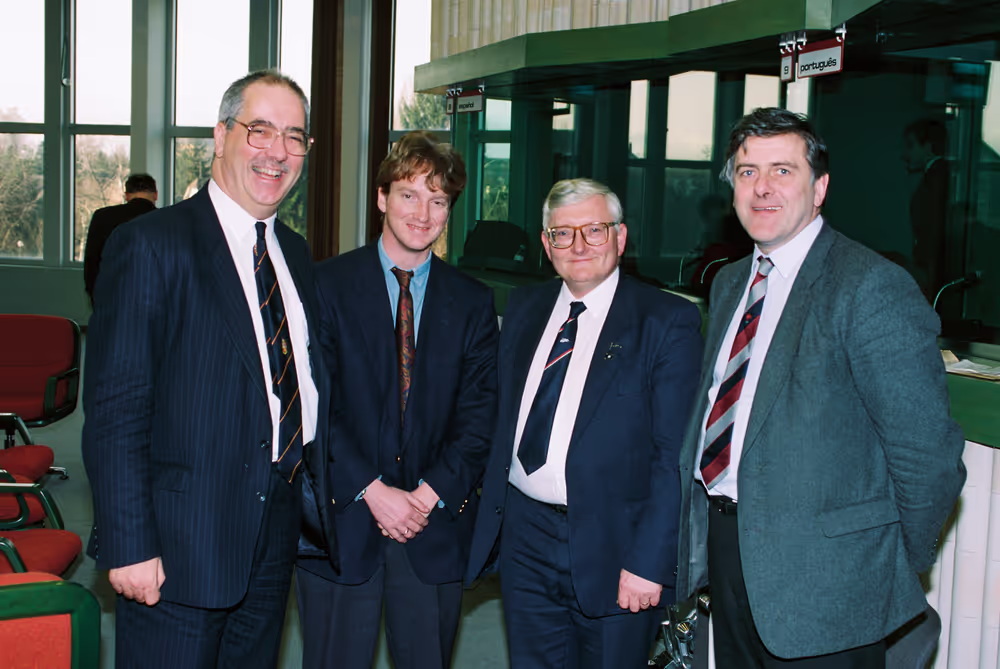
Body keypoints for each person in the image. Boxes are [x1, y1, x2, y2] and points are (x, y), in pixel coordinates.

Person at [676, 107, 966, 667]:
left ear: (820, 188)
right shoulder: (732, 281)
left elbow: (928, 456)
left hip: (832, 581)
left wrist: (879, 564)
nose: (761, 188)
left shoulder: (871, 286)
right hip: (729, 554)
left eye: (782, 171)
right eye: (746, 172)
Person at [82, 70, 337, 669]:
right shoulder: (153, 244)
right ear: (220, 135)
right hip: (177, 546)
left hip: (273, 536)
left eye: (294, 137)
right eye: (260, 130)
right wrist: (129, 543)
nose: (278, 151)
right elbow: (116, 412)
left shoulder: (294, 253)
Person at [466, 178, 703, 668]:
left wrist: (648, 562)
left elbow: (672, 458)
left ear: (620, 237)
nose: (578, 245)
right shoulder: (527, 308)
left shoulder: (666, 320)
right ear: (544, 244)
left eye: (594, 230)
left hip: (617, 545)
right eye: (562, 233)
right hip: (524, 535)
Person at [296, 130, 499, 669]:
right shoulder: (324, 285)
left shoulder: (473, 302)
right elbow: (313, 401)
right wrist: (372, 489)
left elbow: (480, 417)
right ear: (382, 198)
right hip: (344, 519)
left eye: (438, 200)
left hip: (435, 526)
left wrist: (426, 496)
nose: (423, 212)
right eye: (410, 194)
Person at [82, 173, 158, 306]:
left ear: (127, 195)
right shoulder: (167, 220)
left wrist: (94, 296)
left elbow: (92, 261)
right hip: (153, 298)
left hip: (111, 296)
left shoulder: (102, 217)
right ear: (155, 195)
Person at [902, 118, 950, 298]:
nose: (906, 154)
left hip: (932, 269)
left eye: (911, 146)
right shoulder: (936, 176)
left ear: (928, 147)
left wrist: (928, 273)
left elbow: (934, 230)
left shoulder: (936, 178)